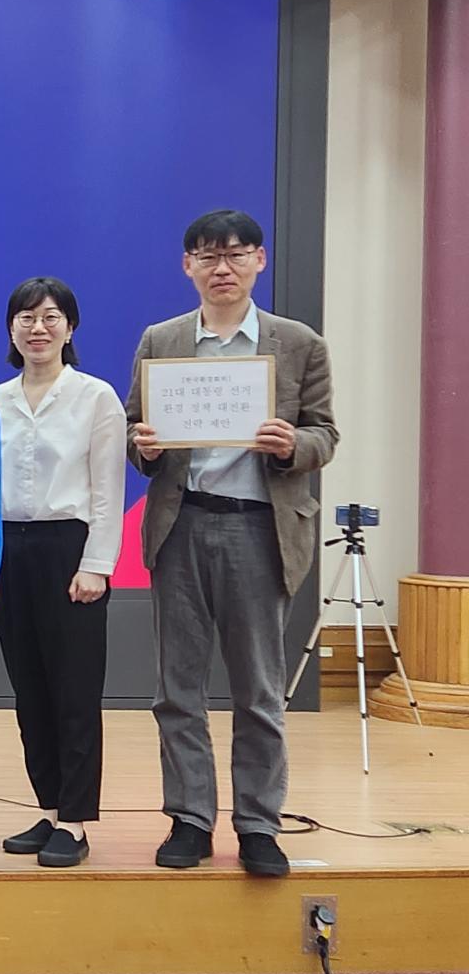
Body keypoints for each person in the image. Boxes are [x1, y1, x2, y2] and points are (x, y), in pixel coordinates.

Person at [124, 210, 338, 879]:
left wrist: (292, 444)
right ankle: (190, 818)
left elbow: (325, 434)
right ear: (187, 266)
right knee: (177, 688)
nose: (223, 268)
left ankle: (258, 824)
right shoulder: (162, 339)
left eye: (236, 254)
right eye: (208, 256)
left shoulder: (298, 343)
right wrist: (144, 446)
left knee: (259, 690)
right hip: (181, 525)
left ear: (259, 261)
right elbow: (136, 427)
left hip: (259, 527)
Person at [0, 277, 126, 869]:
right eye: (26, 317)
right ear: (11, 328)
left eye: (50, 317)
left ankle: (76, 819)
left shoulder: (96, 397)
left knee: (74, 691)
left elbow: (108, 491)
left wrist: (96, 565)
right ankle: (47, 809)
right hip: (6, 550)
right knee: (29, 691)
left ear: (70, 328)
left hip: (70, 551)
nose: (37, 328)